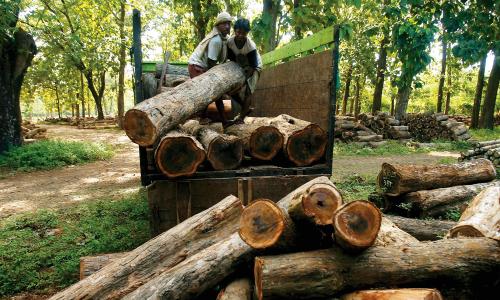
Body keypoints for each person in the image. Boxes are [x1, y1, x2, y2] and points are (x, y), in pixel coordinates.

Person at [188, 12, 233, 124]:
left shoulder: (224, 38)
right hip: (196, 66)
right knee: (207, 91)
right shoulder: (216, 40)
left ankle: (223, 120)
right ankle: (198, 119)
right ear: (218, 25)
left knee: (216, 92)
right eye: (224, 24)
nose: (227, 27)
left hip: (203, 66)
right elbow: (211, 62)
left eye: (229, 24)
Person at [226, 18, 262, 123]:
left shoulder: (251, 46)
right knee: (231, 90)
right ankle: (245, 108)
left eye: (244, 33)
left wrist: (244, 82)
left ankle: (241, 118)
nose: (241, 35)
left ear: (247, 33)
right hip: (241, 65)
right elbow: (232, 59)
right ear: (235, 30)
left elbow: (253, 66)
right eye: (238, 32)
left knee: (248, 91)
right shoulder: (230, 42)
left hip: (254, 67)